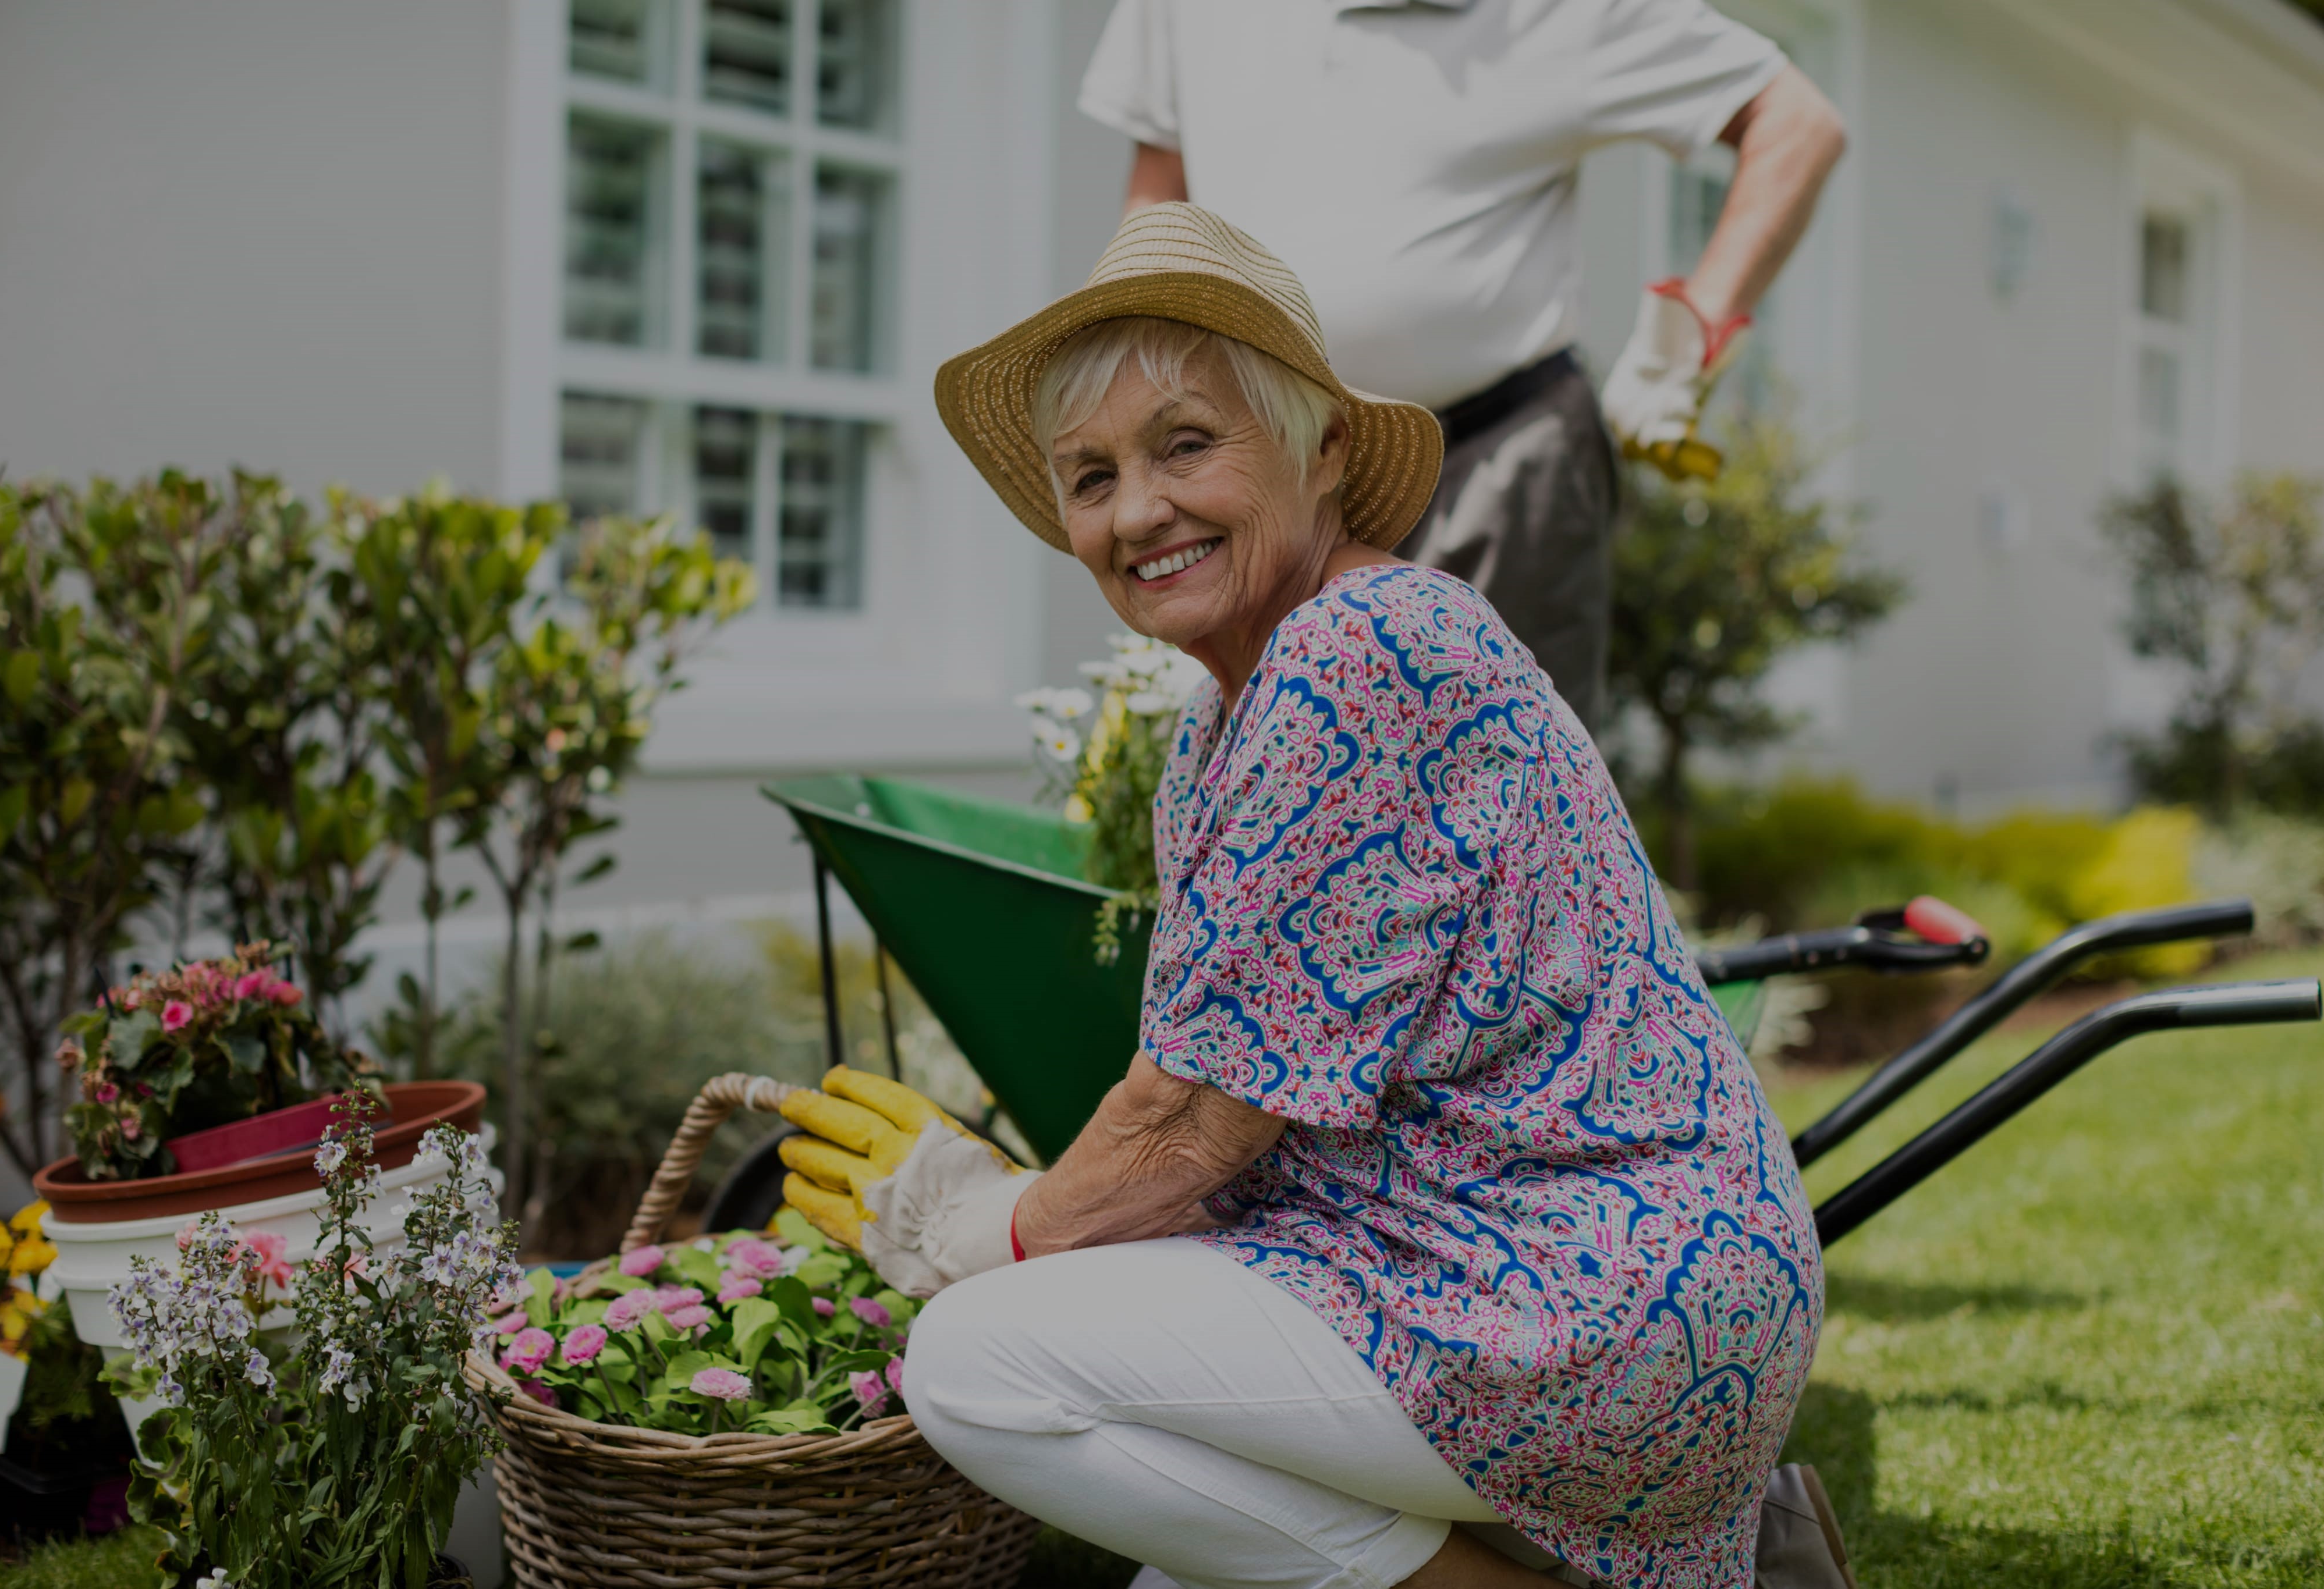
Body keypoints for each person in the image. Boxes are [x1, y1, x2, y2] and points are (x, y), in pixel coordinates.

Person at [774, 205, 1823, 1589]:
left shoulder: (1360, 645)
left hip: (1583, 1290)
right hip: (1485, 1263)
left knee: (978, 1366)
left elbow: (1200, 1119)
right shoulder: (1231, 714)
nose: (1134, 511)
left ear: (1322, 448)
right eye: (1087, 476)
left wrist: (994, 1232)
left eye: (1184, 444)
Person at [1073, 0, 1848, 728]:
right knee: (1279, 780)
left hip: (1500, 468)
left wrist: (1690, 338)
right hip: (1264, 475)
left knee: (1508, 790)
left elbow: (1796, 123)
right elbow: (1160, 192)